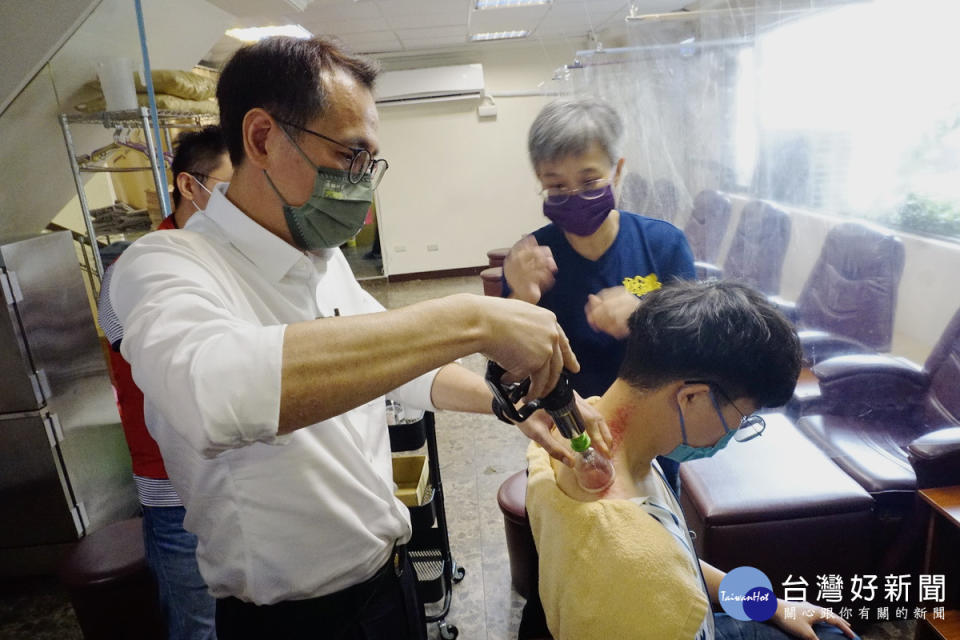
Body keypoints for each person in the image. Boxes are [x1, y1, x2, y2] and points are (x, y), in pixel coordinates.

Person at [108, 37, 608, 640]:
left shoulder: (321, 258)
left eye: (370, 162)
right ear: (262, 137)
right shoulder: (165, 264)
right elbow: (217, 397)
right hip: (297, 620)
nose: (362, 181)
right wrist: (473, 319)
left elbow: (405, 367)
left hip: (388, 585)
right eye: (350, 154)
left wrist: (508, 406)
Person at [523, 280, 858, 640]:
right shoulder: (627, 557)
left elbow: (680, 564)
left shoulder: (579, 432)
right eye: (742, 417)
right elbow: (656, 566)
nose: (735, 430)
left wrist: (771, 605)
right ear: (693, 397)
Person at [503, 96, 696, 488]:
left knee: (652, 535)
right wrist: (520, 300)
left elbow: (699, 349)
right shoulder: (530, 259)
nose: (574, 197)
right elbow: (508, 375)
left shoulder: (663, 245)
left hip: (653, 438)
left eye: (590, 182)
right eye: (556, 187)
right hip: (567, 438)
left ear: (618, 171)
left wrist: (645, 314)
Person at [98, 126, 230, 640]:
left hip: (236, 481)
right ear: (188, 186)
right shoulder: (139, 267)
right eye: (227, 190)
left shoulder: (230, 258)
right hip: (176, 491)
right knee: (200, 627)